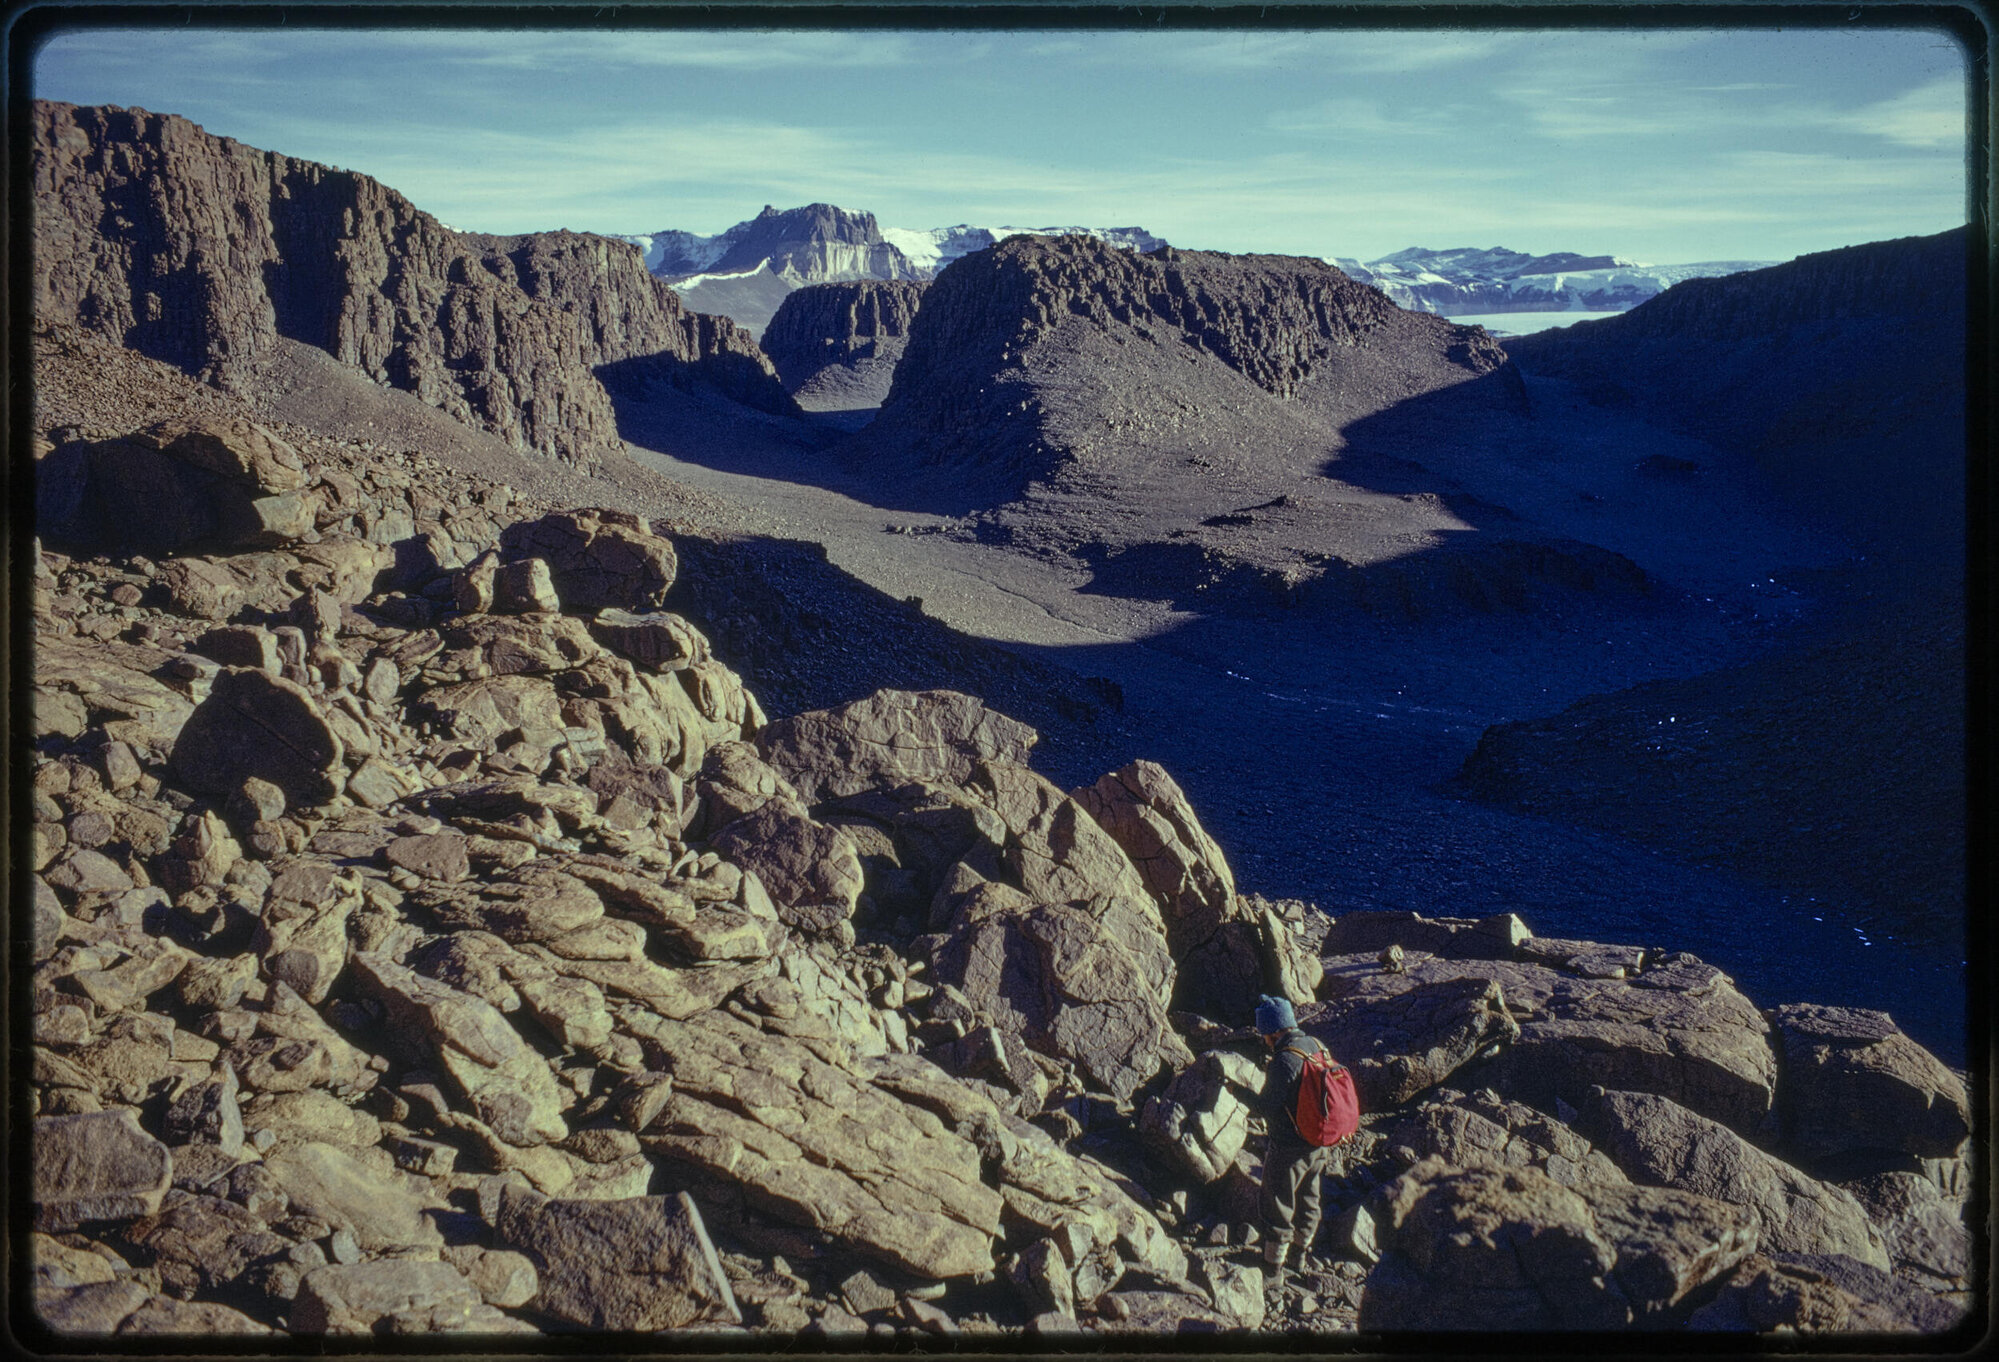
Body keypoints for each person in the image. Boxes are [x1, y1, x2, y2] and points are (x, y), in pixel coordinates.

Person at [1252, 993, 1341, 1293]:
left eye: (1264, 1033)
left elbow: (1265, 1107)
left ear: (1274, 1031)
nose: (1264, 1039)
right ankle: (1299, 1258)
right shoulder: (1316, 1045)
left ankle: (1272, 1270)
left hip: (1289, 1146)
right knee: (1309, 1200)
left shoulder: (1285, 1060)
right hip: (1319, 1141)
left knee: (1277, 1203)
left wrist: (1235, 1089)